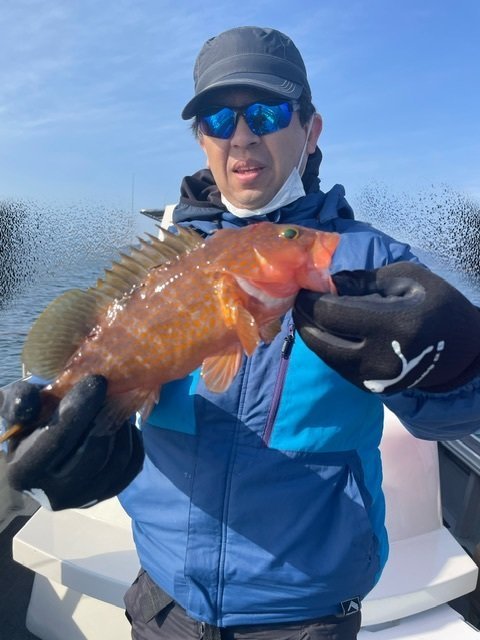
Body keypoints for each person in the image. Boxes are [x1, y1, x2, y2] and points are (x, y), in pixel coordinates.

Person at [2, 26, 480, 640]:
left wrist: (456, 360)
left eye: (267, 112)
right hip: (163, 600)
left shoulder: (373, 265)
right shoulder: (163, 261)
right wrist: (67, 442)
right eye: (218, 120)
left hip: (307, 614)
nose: (243, 135)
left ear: (311, 130)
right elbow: (88, 367)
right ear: (203, 142)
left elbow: (455, 417)